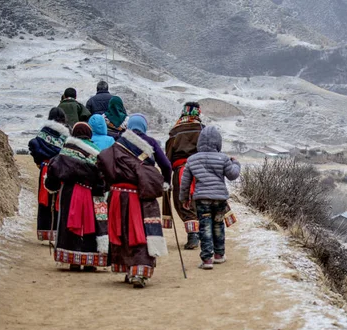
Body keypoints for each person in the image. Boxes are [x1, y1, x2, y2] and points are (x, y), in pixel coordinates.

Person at [97, 114, 169, 288]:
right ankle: (139, 272)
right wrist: (165, 182)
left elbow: (103, 164)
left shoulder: (118, 143)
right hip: (139, 194)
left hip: (116, 195)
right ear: (144, 127)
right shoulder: (150, 143)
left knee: (122, 231)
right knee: (141, 232)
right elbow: (166, 165)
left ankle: (128, 269)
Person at [44, 122, 109, 272]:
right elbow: (102, 176)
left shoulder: (65, 151)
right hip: (90, 193)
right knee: (89, 226)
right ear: (89, 134)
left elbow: (53, 171)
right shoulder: (96, 153)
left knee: (68, 223)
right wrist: (101, 191)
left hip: (69, 192)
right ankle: (90, 261)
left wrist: (52, 186)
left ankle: (73, 260)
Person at [179, 126, 240, 270]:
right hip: (219, 199)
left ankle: (207, 259)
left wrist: (184, 199)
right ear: (218, 143)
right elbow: (233, 175)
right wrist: (236, 163)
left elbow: (185, 182)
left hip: (201, 199)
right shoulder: (223, 158)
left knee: (204, 227)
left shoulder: (192, 160)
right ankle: (219, 255)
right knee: (218, 225)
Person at [163, 102, 203, 250]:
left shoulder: (175, 131)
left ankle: (193, 235)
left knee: (184, 202)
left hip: (181, 171)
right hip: (201, 171)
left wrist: (166, 175)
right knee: (200, 201)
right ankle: (202, 234)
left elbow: (168, 156)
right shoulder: (202, 130)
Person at [28, 107, 69, 241]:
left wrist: (39, 162)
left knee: (45, 200)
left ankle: (45, 231)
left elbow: (33, 146)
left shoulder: (41, 134)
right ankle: (57, 233)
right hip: (60, 169)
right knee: (59, 199)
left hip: (45, 168)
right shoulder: (65, 135)